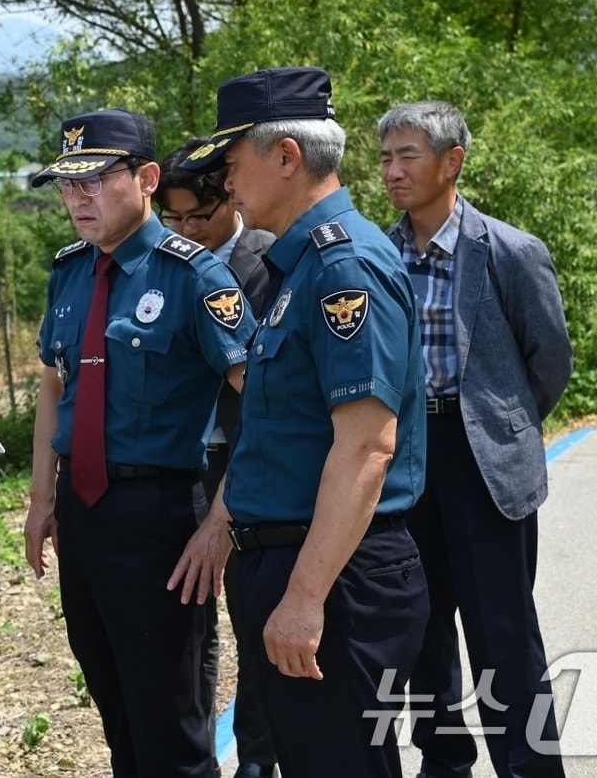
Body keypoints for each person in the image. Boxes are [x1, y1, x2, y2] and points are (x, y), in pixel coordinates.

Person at [179, 67, 429, 778]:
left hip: (335, 577)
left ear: (286, 156)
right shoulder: (303, 267)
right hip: (295, 561)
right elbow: (281, 431)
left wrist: (304, 596)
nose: (226, 185)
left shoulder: (342, 269)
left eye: (233, 165)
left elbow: (366, 448)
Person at [24, 109, 255, 777]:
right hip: (85, 517)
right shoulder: (69, 272)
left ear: (147, 178)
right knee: (118, 714)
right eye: (67, 184)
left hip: (160, 517)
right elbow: (52, 386)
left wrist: (223, 517)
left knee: (172, 731)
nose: (77, 197)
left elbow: (264, 402)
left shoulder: (192, 276)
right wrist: (42, 497)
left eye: (95, 179)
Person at [379, 101, 572, 778]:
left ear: (451, 160)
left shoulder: (511, 252)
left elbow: (548, 361)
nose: (392, 171)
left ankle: (530, 767)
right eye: (385, 157)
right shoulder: (377, 254)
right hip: (404, 458)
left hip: (483, 458)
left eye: (408, 155)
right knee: (422, 627)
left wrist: (501, 423)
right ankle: (445, 759)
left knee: (505, 633)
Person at [156, 144, 277, 778]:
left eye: (196, 216)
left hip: (246, 464)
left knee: (255, 622)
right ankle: (195, 754)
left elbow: (268, 397)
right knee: (187, 625)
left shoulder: (268, 261)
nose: (185, 232)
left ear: (229, 196)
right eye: (171, 219)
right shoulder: (163, 266)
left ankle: (256, 758)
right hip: (179, 468)